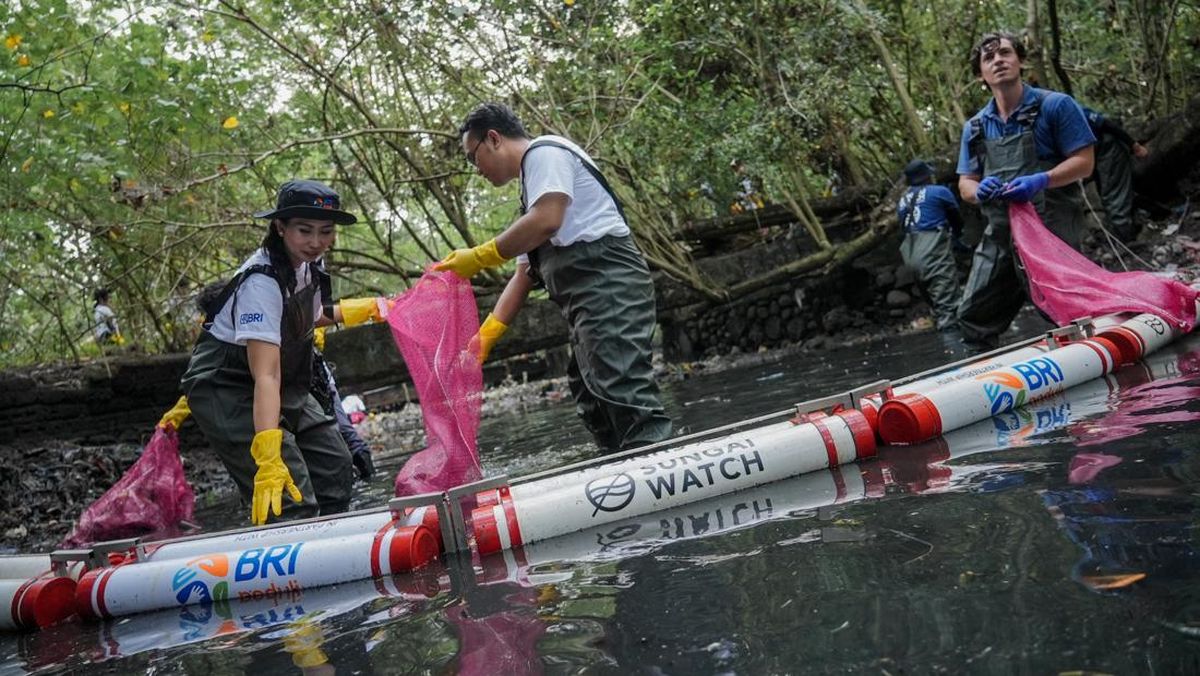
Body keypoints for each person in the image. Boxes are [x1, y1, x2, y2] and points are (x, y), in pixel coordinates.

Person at [436, 102, 672, 455]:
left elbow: (548, 220)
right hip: (586, 302)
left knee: (619, 382)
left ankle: (661, 465)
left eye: (474, 158)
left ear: (494, 139)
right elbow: (523, 274)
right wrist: (482, 340)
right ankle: (622, 467)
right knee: (589, 394)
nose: (477, 169)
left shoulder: (544, 154)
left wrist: (482, 255)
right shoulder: (532, 192)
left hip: (610, 282)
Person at [180, 179, 386, 525]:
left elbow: (314, 314)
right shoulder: (260, 280)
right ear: (280, 227)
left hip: (281, 379)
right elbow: (266, 373)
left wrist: (372, 308)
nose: (316, 242)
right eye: (305, 231)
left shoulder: (311, 266)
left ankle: (337, 543)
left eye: (326, 232)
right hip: (231, 387)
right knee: (287, 493)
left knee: (335, 466)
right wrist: (268, 454)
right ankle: (291, 545)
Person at [956, 31, 1096, 349]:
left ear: (1020, 60)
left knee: (1066, 312)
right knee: (972, 316)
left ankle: (1095, 368)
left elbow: (1085, 163)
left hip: (1052, 230)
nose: (999, 60)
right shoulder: (975, 127)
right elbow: (965, 183)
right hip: (1001, 235)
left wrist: (1040, 180)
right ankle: (985, 385)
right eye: (989, 57)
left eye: (1005, 53)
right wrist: (979, 192)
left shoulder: (1056, 106)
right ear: (980, 74)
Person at [897, 160, 963, 331]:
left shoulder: (903, 199)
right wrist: (958, 239)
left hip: (911, 258)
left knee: (936, 307)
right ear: (927, 176)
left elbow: (903, 228)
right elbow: (957, 220)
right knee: (949, 311)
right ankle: (959, 353)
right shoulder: (939, 192)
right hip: (933, 252)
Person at [311, 326, 375, 481]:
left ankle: (369, 479)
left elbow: (322, 313)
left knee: (345, 432)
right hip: (297, 382)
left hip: (317, 377)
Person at [1081, 106, 1150, 242]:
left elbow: (1107, 124)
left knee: (1113, 193)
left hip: (1108, 147)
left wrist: (1134, 146)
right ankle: (1122, 230)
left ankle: (1125, 237)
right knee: (1105, 191)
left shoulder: (1066, 108)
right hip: (1091, 153)